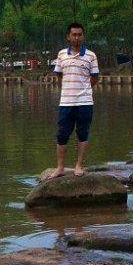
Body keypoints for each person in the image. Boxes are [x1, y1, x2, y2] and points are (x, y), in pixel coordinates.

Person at [48, 22, 100, 177]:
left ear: (83, 36)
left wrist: (83, 90)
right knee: (62, 134)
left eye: (80, 34)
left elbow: (95, 78)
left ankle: (79, 166)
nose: (77, 37)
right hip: (66, 102)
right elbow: (58, 74)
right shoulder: (61, 54)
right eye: (74, 35)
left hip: (85, 102)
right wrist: (67, 89)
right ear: (68, 37)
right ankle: (60, 168)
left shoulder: (91, 55)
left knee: (83, 133)